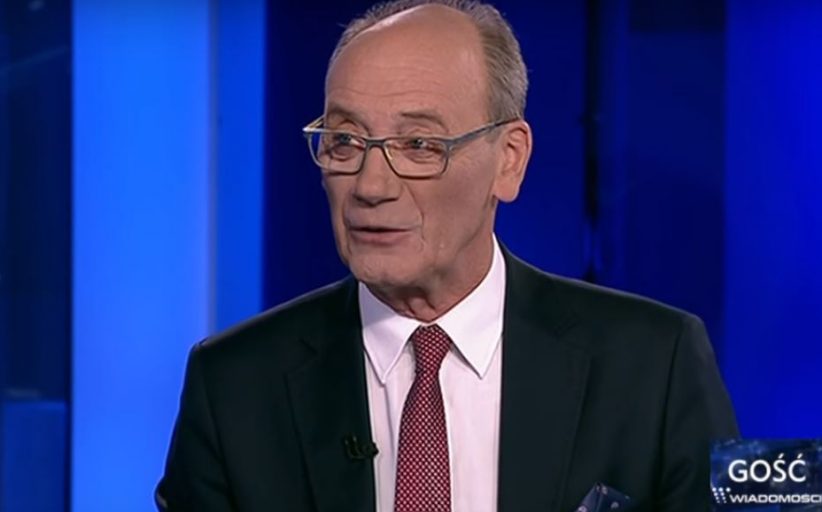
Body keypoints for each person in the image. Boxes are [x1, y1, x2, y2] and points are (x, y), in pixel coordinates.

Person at [155, 1, 738, 511]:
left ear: (509, 159)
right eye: (345, 142)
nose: (371, 186)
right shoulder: (232, 385)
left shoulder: (660, 362)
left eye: (418, 145)